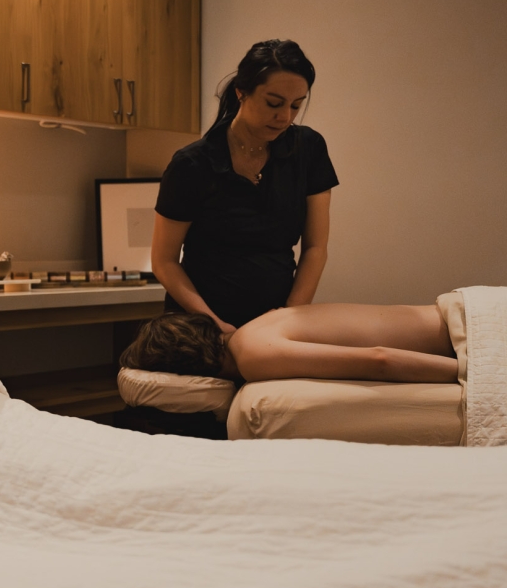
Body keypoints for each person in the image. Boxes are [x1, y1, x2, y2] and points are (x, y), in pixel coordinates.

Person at [152, 39, 339, 332]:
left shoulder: (309, 149)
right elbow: (164, 262)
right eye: (274, 103)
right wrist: (216, 326)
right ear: (241, 92)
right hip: (200, 325)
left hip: (276, 322)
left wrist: (289, 317)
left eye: (296, 105)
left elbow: (315, 247)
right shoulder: (192, 164)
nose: (285, 117)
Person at [121, 304, 458, 385]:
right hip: (455, 312)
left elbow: (379, 359)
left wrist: (479, 373)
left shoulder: (252, 356)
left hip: (469, 334)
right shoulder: (257, 325)